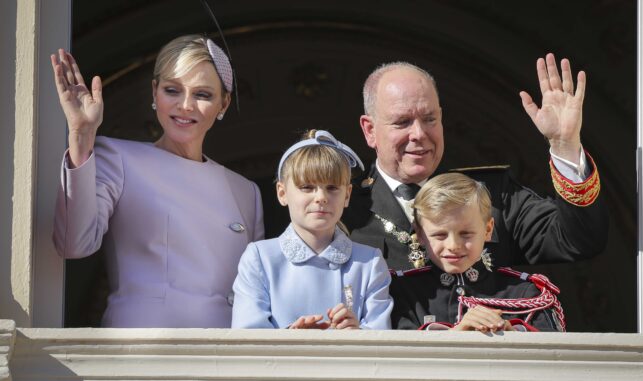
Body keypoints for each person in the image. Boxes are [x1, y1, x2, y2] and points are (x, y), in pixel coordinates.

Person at [51, 35, 265, 328]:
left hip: (225, 357)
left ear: (224, 103)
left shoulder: (246, 191)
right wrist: (81, 135)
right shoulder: (119, 157)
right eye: (172, 90)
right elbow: (73, 244)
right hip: (143, 353)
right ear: (155, 92)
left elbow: (256, 296)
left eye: (202, 94)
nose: (185, 105)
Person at [344, 54, 608, 272]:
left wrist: (565, 146)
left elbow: (579, 240)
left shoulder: (492, 194)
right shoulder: (343, 207)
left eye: (430, 119)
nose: (419, 134)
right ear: (370, 130)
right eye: (402, 122)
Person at [231, 130, 393, 329]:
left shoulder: (370, 263)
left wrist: (357, 333)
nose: (321, 197)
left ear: (348, 195)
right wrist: (292, 339)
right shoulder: (260, 258)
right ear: (282, 193)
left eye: (332, 187)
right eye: (307, 187)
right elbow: (247, 339)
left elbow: (381, 345)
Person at [391, 173, 565, 332]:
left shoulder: (525, 293)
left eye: (466, 233)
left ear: (488, 229)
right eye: (440, 235)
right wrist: (456, 335)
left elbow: (554, 357)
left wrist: (511, 335)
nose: (453, 245)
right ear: (419, 234)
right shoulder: (401, 292)